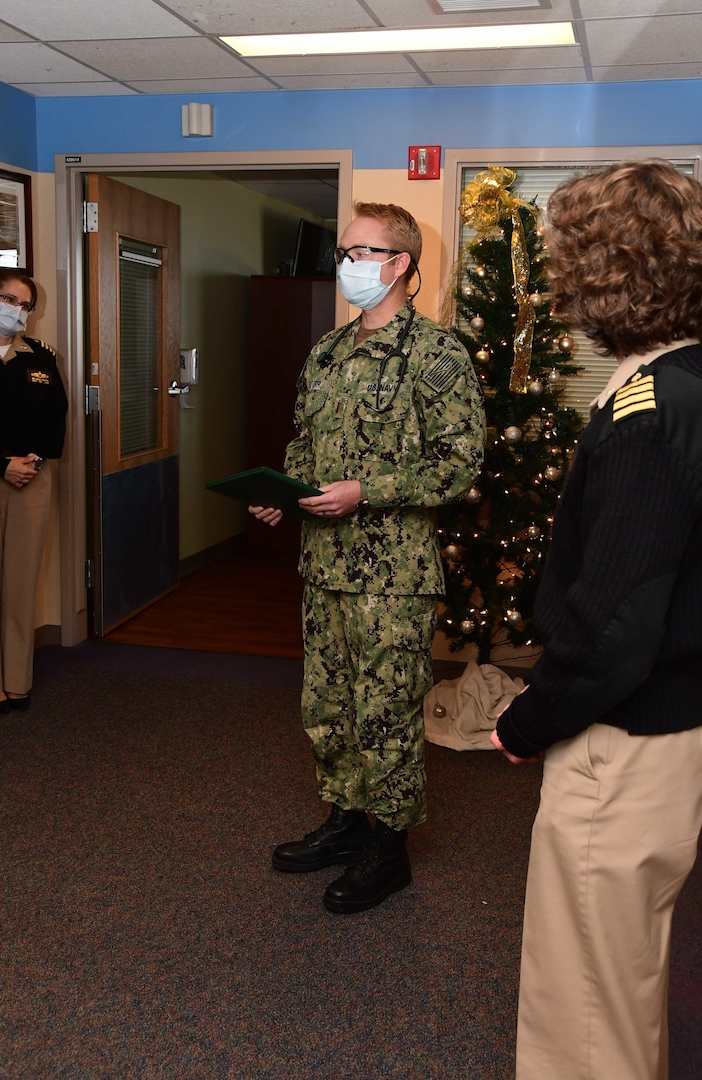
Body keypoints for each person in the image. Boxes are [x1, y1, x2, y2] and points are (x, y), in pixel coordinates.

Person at [491, 160, 702, 1080]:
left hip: (626, 736)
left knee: (585, 1002)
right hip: (674, 723)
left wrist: (526, 719)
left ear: (602, 274)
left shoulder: (649, 415)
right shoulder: (684, 381)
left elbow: (615, 623)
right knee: (622, 977)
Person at [250, 201, 485, 913]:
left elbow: (461, 465)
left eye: (361, 252)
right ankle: (347, 823)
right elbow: (302, 444)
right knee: (329, 707)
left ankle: (390, 849)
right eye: (345, 252)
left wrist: (367, 491)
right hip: (323, 567)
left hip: (393, 576)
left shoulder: (437, 355)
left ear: (401, 264)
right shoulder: (327, 353)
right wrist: (284, 492)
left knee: (384, 713)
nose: (346, 264)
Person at [0, 269, 68, 714]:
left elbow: (57, 416)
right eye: (11, 300)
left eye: (26, 305)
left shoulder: (40, 357)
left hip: (32, 475)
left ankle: (17, 679)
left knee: (20, 582)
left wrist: (31, 461)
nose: (19, 311)